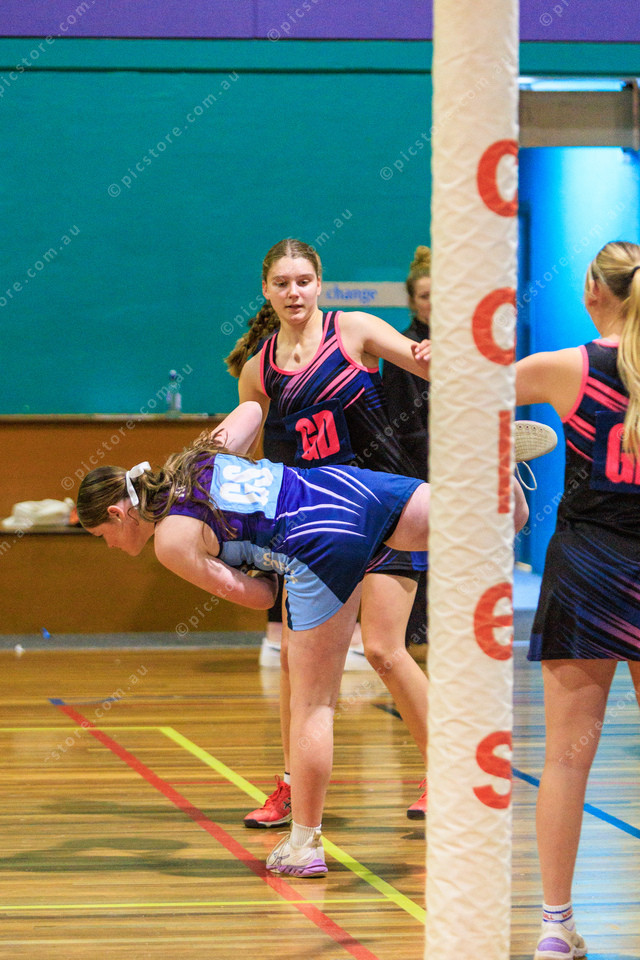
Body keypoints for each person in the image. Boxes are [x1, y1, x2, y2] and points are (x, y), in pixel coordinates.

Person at [77, 400, 530, 877]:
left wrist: (250, 560)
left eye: (102, 535)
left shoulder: (171, 541)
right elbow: (252, 410)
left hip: (316, 544)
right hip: (347, 488)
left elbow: (261, 596)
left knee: (313, 705)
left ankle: (304, 844)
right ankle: (497, 465)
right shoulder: (193, 460)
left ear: (118, 513)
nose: (110, 546)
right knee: (503, 520)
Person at [227, 237, 434, 823]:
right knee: (295, 660)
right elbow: (254, 454)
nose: (294, 291)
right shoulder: (258, 371)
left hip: (385, 512)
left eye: (303, 281)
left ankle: (447, 772)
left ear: (320, 284)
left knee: (385, 651)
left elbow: (425, 364)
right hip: (316, 529)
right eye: (282, 283)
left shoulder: (354, 330)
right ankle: (292, 782)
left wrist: (435, 354)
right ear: (266, 290)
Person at [515, 241, 640, 960]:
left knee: (565, 759)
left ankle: (555, 926)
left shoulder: (567, 368)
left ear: (592, 289)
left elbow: (465, 395)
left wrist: (502, 464)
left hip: (587, 568)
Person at [382, 244, 432, 648]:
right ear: (413, 301)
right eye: (425, 295)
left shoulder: (467, 347)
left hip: (462, 470)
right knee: (421, 558)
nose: (434, 303)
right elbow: (403, 426)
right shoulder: (403, 348)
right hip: (419, 471)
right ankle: (415, 636)